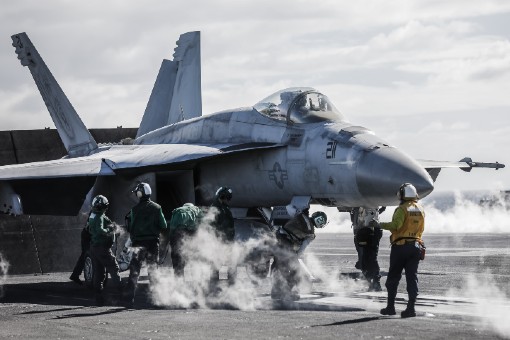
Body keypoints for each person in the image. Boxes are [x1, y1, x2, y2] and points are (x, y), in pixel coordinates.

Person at [376, 183, 425, 318]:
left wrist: (378, 224)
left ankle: (390, 307)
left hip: (400, 247)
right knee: (412, 278)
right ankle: (411, 309)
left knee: (393, 277)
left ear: (402, 195)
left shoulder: (402, 209)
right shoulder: (420, 209)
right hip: (416, 246)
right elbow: (421, 229)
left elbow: (396, 226)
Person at [123, 182, 168, 307]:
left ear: (140, 193)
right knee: (153, 271)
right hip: (153, 243)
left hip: (138, 244)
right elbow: (163, 225)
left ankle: (129, 299)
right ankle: (156, 300)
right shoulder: (157, 208)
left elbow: (130, 228)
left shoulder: (134, 210)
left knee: (134, 271)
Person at [271, 208, 327, 300]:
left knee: (277, 266)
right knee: (296, 270)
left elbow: (290, 208)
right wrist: (295, 257)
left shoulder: (301, 214)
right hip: (287, 245)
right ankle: (287, 292)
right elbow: (301, 249)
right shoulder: (311, 234)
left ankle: (275, 291)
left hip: (278, 239)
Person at [87, 195, 122, 306]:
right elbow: (100, 230)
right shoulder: (99, 217)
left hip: (94, 248)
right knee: (114, 268)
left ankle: (99, 298)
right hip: (102, 248)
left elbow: (89, 228)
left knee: (99, 272)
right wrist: (110, 229)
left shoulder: (92, 215)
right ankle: (122, 294)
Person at [351, 206, 385, 291]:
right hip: (364, 233)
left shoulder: (359, 206)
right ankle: (372, 282)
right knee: (365, 259)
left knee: (369, 259)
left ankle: (375, 282)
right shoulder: (357, 207)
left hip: (367, 233)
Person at [209, 186, 236, 288]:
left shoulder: (223, 207)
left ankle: (227, 284)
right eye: (227, 198)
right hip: (219, 241)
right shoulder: (216, 208)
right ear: (223, 196)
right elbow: (213, 225)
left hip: (225, 240)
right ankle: (216, 285)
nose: (228, 200)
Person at [168, 203, 203, 277]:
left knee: (176, 255)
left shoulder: (177, 210)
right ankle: (195, 278)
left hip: (178, 233)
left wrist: (171, 241)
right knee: (193, 255)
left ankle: (178, 277)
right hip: (192, 233)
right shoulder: (196, 209)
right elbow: (202, 223)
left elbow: (172, 227)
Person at [69, 212, 92, 285]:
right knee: (86, 255)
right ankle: (75, 275)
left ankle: (75, 275)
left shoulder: (95, 212)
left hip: (87, 234)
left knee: (84, 255)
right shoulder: (97, 213)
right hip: (88, 235)